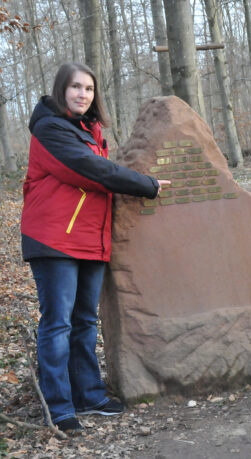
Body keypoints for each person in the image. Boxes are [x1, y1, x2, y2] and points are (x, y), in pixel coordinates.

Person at [21, 62, 170, 433]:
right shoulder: (50, 129)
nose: (82, 94)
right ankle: (58, 407)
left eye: (88, 89)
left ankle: (88, 395)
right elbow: (91, 170)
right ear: (61, 91)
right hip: (55, 239)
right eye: (75, 87)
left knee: (85, 320)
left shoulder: (92, 131)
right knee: (58, 323)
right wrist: (145, 184)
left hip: (90, 237)